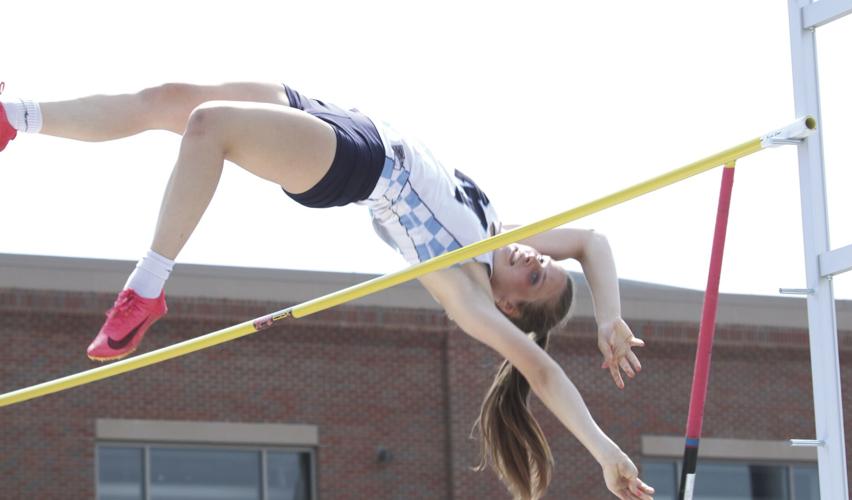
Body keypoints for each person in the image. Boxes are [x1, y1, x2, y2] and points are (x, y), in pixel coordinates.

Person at [0, 82, 654, 500]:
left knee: (208, 125)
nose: (535, 257)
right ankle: (13, 117)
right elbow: (591, 241)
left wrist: (605, 452)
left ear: (510, 305)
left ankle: (147, 288)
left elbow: (539, 370)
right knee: (167, 100)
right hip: (340, 115)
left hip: (357, 165)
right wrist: (608, 318)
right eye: (545, 260)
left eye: (535, 276)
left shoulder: (466, 288)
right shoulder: (498, 231)